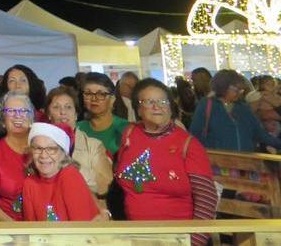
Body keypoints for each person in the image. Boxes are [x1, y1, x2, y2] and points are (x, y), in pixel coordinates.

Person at [117, 78, 217, 245]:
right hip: (135, 237)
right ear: (138, 109)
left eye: (163, 101)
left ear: (170, 107)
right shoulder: (130, 134)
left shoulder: (188, 144)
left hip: (177, 238)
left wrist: (194, 241)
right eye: (149, 101)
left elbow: (207, 200)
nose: (158, 106)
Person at [21, 122, 103, 221]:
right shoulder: (29, 183)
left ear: (63, 153)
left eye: (51, 149)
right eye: (38, 148)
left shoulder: (69, 175)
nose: (43, 155)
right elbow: (31, 229)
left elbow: (82, 229)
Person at [45, 86, 111, 202]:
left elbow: (103, 186)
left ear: (76, 114)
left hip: (88, 211)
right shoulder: (40, 145)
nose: (63, 112)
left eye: (68, 107)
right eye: (56, 107)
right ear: (49, 114)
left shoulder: (94, 145)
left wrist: (75, 167)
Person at [190, 68, 281, 152]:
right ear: (223, 87)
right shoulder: (206, 105)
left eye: (241, 90)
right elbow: (195, 135)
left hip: (245, 163)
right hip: (218, 164)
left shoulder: (243, 108)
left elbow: (259, 133)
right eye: (236, 89)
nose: (240, 93)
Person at [0, 91, 34, 221]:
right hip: (9, 228)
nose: (18, 115)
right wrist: (15, 229)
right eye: (11, 111)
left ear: (31, 118)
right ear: (3, 120)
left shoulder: (42, 147)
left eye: (23, 111)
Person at [77, 72, 129, 156]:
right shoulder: (77, 129)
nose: (94, 98)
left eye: (101, 94)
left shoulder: (126, 128)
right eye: (88, 93)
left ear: (112, 99)